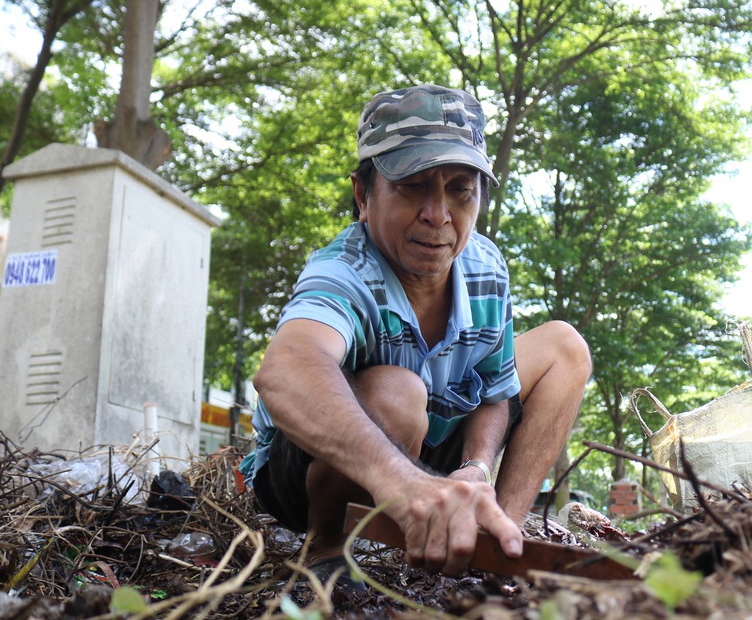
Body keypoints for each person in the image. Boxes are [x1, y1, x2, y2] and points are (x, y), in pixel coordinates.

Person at [240, 84, 591, 583]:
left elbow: (496, 391)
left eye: (459, 190)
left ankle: (497, 542)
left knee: (564, 347)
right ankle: (325, 554)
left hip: (431, 448)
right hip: (308, 475)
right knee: (398, 393)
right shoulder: (343, 273)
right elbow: (284, 370)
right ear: (364, 195)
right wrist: (405, 484)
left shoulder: (486, 267)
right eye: (413, 186)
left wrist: (474, 468)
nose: (438, 215)